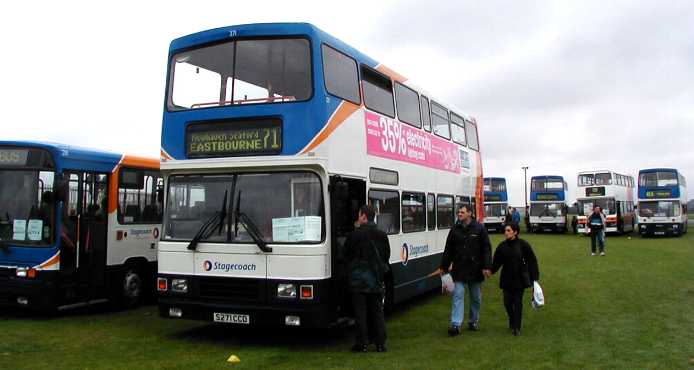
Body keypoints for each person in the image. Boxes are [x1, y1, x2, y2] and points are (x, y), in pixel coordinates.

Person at [439, 204, 492, 336]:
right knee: (458, 295)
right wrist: (443, 267)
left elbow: (486, 249)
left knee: (476, 298)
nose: (459, 214)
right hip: (459, 269)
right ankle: (456, 324)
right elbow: (448, 250)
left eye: (462, 212)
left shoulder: (479, 229)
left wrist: (486, 266)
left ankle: (473, 321)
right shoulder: (454, 230)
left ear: (470, 213)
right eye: (459, 212)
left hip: (475, 269)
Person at [344, 204, 390, 353]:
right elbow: (386, 256)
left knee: (360, 313)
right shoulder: (382, 235)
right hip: (376, 279)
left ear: (363, 216)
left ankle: (362, 343)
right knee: (377, 312)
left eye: (359, 214)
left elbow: (346, 255)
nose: (358, 217)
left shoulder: (354, 235)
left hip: (358, 280)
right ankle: (380, 344)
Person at [491, 223, 540, 336]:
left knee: (518, 303)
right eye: (505, 230)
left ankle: (517, 327)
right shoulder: (502, 246)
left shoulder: (523, 245)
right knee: (507, 303)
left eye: (508, 230)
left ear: (515, 232)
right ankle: (512, 319)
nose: (506, 232)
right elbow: (496, 262)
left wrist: (534, 278)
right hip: (506, 279)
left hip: (520, 279)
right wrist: (489, 271)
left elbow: (532, 261)